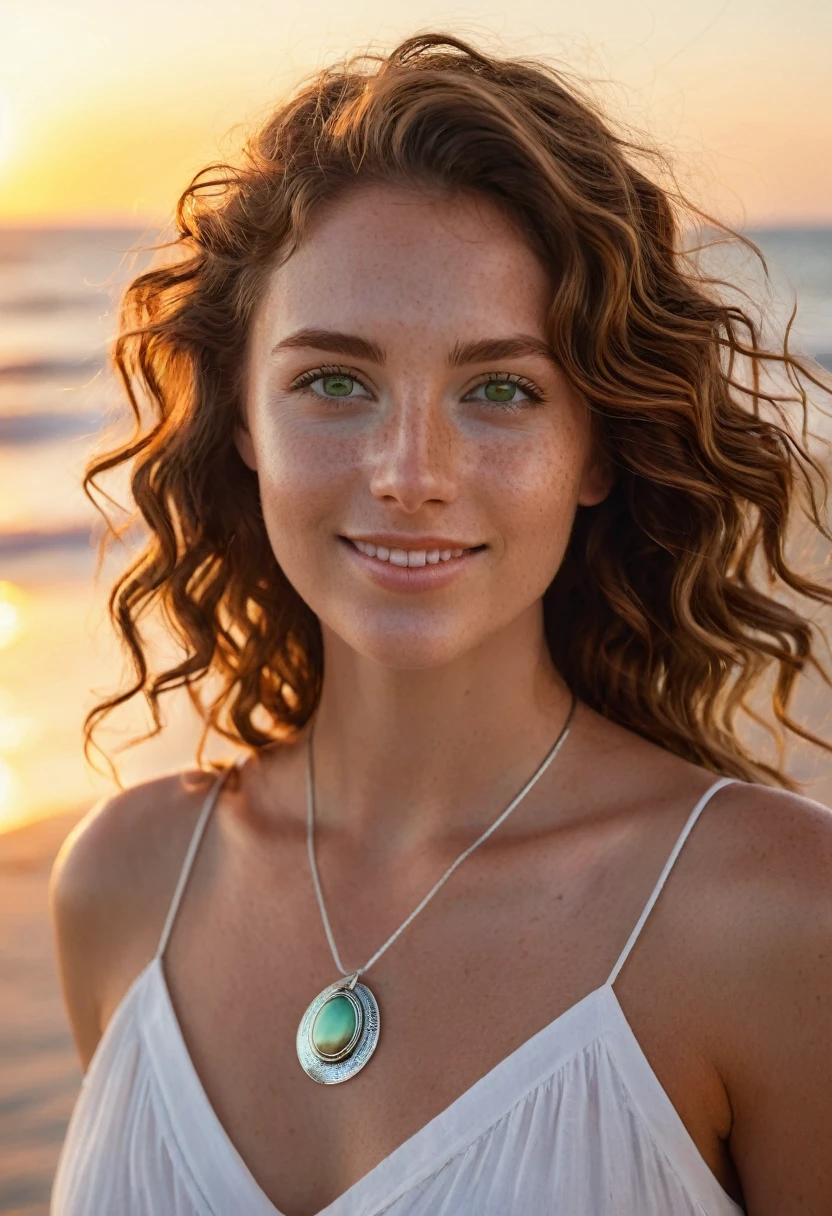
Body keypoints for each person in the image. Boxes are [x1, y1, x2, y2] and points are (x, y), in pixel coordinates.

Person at [49, 32, 832, 1216]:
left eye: (501, 389)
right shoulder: (121, 885)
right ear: (243, 420)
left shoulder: (776, 918)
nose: (410, 473)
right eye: (334, 380)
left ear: (595, 448)